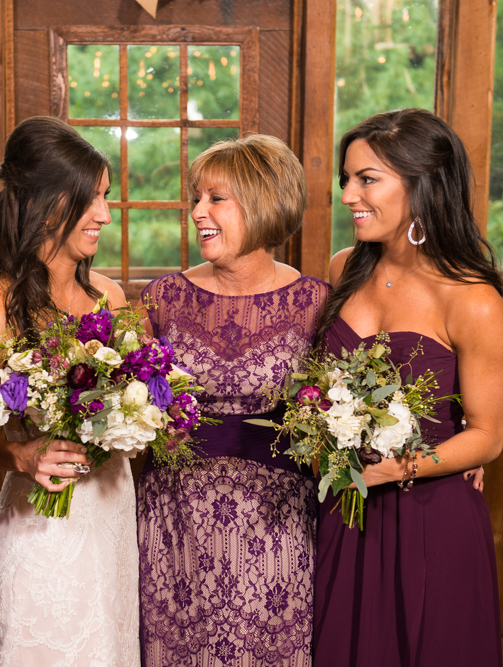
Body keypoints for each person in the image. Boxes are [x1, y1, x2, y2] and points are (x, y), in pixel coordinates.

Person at [313, 108, 503, 666]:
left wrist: (395, 468)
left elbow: (488, 437)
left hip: (429, 518)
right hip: (347, 514)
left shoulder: (472, 301)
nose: (349, 194)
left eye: (367, 179)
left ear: (423, 186)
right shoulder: (343, 267)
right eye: (346, 180)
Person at [137, 134, 329, 666]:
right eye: (196, 198)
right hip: (176, 519)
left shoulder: (319, 304)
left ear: (263, 202)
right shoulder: (161, 299)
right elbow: (131, 410)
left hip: (279, 522)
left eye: (215, 198)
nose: (197, 211)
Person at [0, 115, 138, 666]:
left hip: (112, 516)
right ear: (45, 202)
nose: (105, 215)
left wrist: (145, 417)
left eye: (106, 197)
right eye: (91, 200)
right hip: (42, 532)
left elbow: (145, 401)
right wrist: (16, 450)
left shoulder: (110, 297)